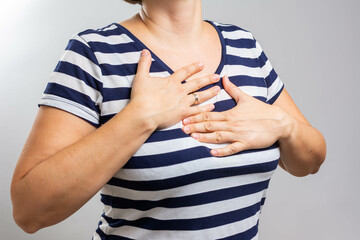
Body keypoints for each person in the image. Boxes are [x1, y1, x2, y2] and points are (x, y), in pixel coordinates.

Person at [10, 0, 327, 239]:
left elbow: (308, 162)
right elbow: (29, 210)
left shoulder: (246, 46)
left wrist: (282, 125)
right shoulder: (94, 53)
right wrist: (139, 118)